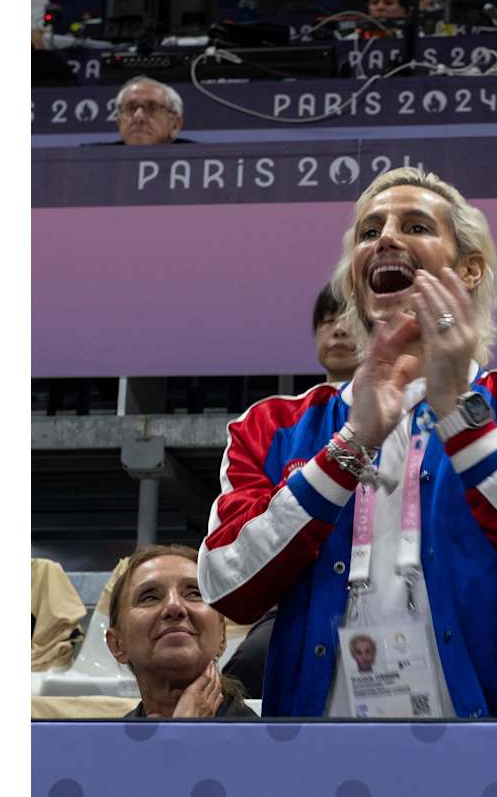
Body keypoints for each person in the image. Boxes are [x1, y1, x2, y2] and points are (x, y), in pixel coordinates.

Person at [199, 167, 497, 719]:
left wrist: (459, 417)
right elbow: (228, 586)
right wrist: (352, 443)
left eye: (415, 225)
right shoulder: (271, 425)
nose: (386, 238)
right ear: (354, 282)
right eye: (369, 233)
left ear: (469, 269)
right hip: (318, 748)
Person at [221, 284, 363, 698]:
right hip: (294, 604)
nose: (337, 331)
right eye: (326, 321)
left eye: (348, 320)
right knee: (249, 661)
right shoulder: (271, 423)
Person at [105, 544, 256, 718]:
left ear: (222, 635)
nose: (174, 606)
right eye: (150, 597)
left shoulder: (261, 741)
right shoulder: (111, 743)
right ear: (117, 644)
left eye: (193, 594)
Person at [112, 76, 187, 146]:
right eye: (131, 108)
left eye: (152, 108)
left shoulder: (197, 155)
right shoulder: (100, 156)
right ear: (119, 122)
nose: (138, 117)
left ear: (175, 125)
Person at [313, 282, 360, 383]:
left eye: (352, 319)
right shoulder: (307, 399)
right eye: (328, 320)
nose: (339, 329)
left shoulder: (397, 398)